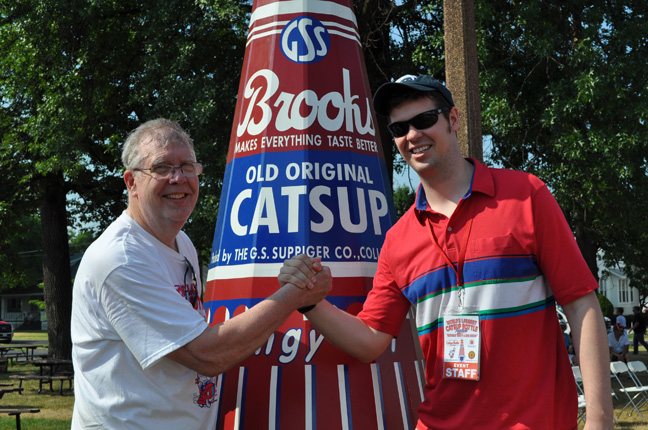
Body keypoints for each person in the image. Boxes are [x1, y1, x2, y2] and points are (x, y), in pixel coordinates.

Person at [280, 75, 613, 429]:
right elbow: (371, 340)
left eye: (424, 120)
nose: (412, 135)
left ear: (453, 120)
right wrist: (311, 303)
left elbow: (581, 305)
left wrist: (600, 420)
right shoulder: (398, 239)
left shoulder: (526, 195)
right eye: (399, 127)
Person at [70, 119, 330, 429]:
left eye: (187, 167)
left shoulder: (182, 243)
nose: (178, 178)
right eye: (162, 168)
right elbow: (207, 354)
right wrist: (296, 293)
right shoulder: (121, 259)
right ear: (131, 182)